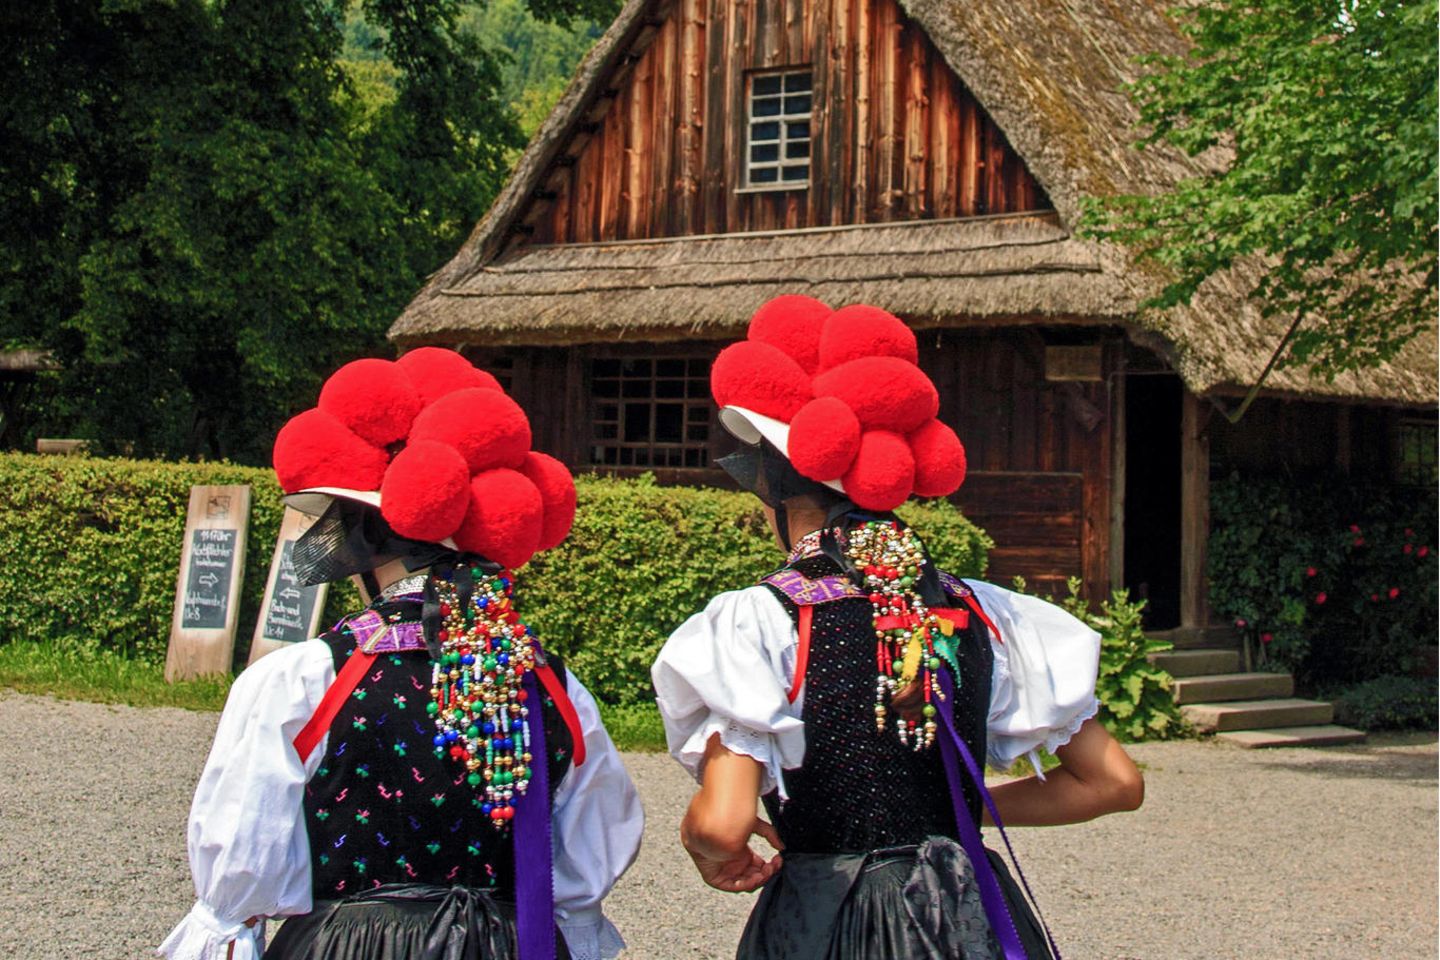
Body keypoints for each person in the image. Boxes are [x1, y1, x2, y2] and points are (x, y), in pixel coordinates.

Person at [652, 297, 1144, 960]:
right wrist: (966, 810)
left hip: (829, 918)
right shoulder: (985, 612)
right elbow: (1113, 781)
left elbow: (725, 821)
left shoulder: (761, 621)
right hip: (964, 912)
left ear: (784, 498)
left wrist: (700, 842)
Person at [159, 349, 643, 960]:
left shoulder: (305, 681)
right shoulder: (551, 686)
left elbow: (238, 884)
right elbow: (582, 872)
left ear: (365, 536)